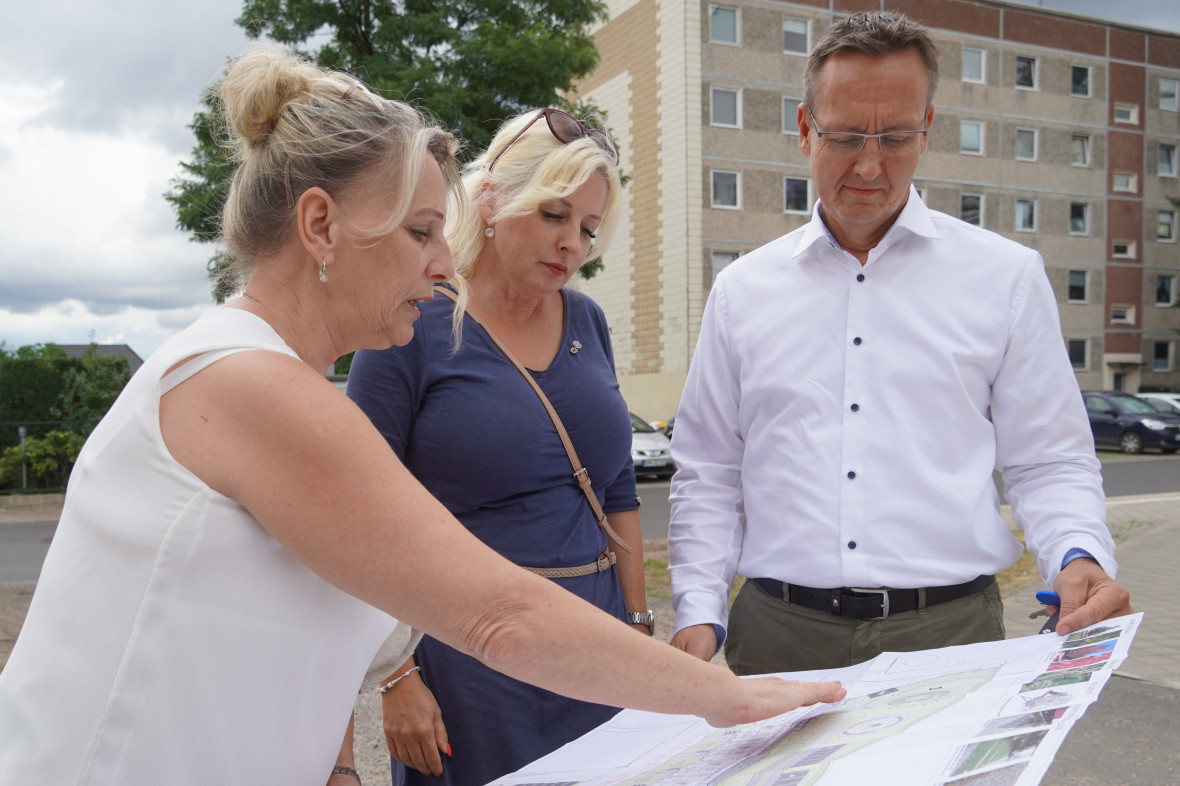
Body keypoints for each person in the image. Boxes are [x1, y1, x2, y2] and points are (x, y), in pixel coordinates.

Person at [0, 47, 846, 785]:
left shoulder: (247, 372)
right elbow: (499, 617)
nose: (445, 267)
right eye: (419, 232)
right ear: (321, 225)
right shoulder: (249, 384)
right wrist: (726, 699)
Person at [667, 11, 1133, 677]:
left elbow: (1048, 461)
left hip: (951, 636)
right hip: (777, 638)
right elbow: (710, 471)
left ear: (928, 130)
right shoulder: (742, 290)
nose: (869, 164)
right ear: (805, 130)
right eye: (847, 135)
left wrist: (1079, 555)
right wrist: (696, 613)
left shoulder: (1006, 278)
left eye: (895, 138)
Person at [346, 106, 647, 786]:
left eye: (588, 228)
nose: (572, 243)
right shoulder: (413, 321)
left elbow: (616, 489)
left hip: (596, 651)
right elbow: (357, 516)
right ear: (492, 198)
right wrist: (397, 676)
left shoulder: (589, 321)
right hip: (473, 668)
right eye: (553, 215)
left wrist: (637, 625)